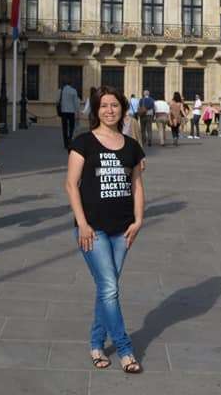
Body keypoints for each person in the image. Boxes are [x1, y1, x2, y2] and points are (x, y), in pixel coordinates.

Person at [64, 86, 145, 375]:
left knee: (105, 289)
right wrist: (82, 223)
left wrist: (138, 220)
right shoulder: (83, 142)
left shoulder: (132, 146)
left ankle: (97, 344)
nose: (109, 110)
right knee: (110, 288)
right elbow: (71, 185)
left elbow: (136, 185)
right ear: (96, 111)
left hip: (122, 230)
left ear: (122, 109)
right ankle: (125, 349)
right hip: (92, 229)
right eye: (104, 106)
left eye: (114, 105)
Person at [58, 80, 81, 150]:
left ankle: (65, 143)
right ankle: (70, 139)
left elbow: (57, 101)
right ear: (71, 84)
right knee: (71, 127)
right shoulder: (74, 91)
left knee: (64, 128)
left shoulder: (60, 91)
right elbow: (76, 103)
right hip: (71, 112)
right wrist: (77, 111)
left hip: (63, 111)